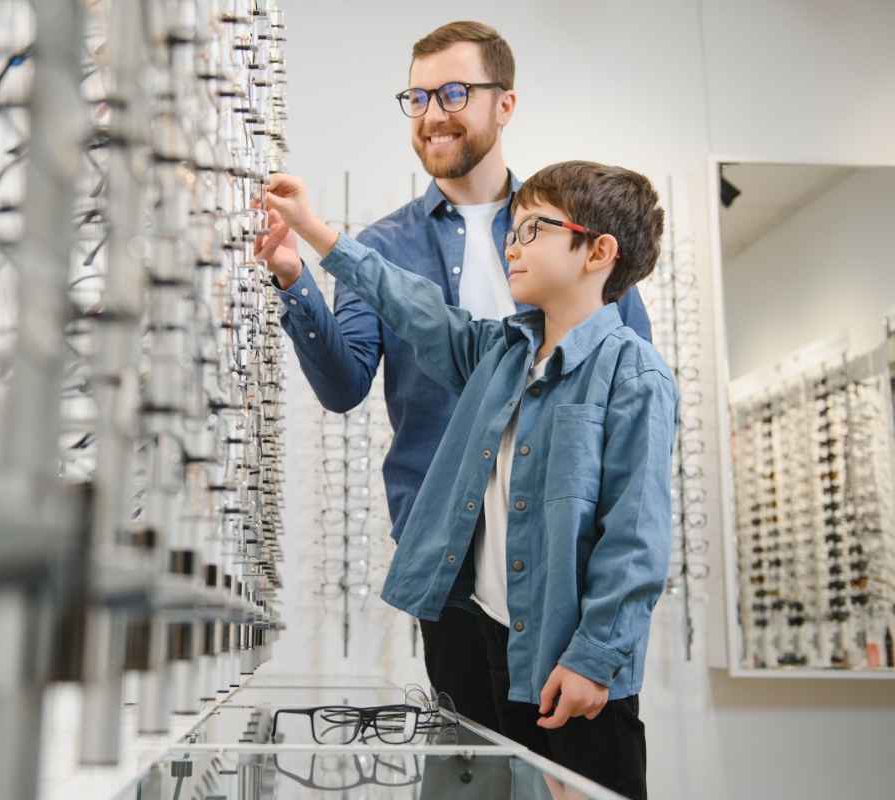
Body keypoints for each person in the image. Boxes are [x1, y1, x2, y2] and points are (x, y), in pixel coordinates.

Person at [263, 21, 652, 732]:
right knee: (470, 763)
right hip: (446, 558)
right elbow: (348, 381)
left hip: (564, 559)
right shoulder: (384, 245)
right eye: (416, 96)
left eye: (452, 92)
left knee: (573, 759)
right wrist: (297, 275)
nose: (432, 114)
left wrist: (607, 626)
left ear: (504, 104)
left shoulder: (574, 229)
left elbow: (632, 414)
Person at [259, 161, 675, 800]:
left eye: (534, 229)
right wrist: (315, 233)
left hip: (578, 666)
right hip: (501, 646)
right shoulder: (500, 353)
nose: (512, 243)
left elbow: (635, 541)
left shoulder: (634, 374)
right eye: (512, 228)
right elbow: (411, 305)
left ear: (599, 251)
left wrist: (595, 659)